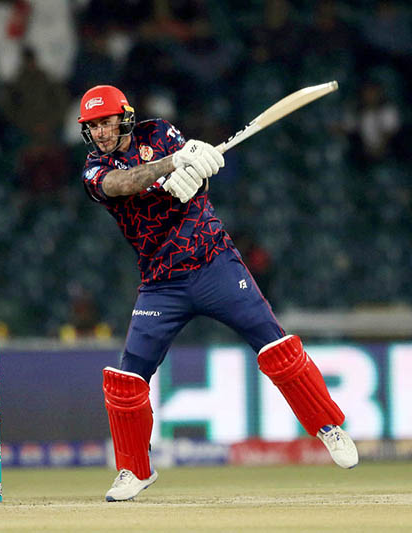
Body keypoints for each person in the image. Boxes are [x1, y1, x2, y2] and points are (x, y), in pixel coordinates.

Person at [77, 85, 358, 502]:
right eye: (93, 126)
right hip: (161, 282)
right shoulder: (93, 171)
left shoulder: (158, 133)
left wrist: (195, 172)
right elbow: (122, 184)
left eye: (107, 121)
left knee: (276, 346)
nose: (101, 132)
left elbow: (193, 170)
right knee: (127, 378)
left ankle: (328, 426)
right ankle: (134, 471)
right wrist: (173, 166)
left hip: (214, 263)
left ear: (125, 117)